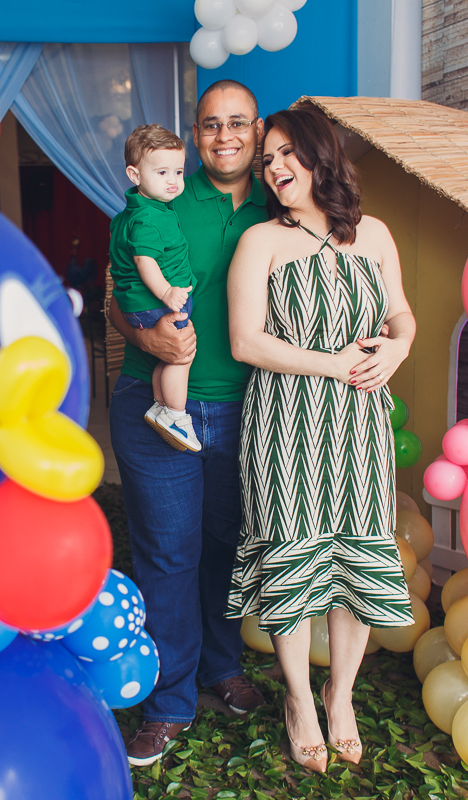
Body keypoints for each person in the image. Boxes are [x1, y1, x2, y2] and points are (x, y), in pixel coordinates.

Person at [225, 105, 417, 773]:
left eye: (286, 154)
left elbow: (401, 315)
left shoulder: (376, 235)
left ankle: (341, 697)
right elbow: (246, 341)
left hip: (361, 422)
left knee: (356, 562)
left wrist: (397, 350)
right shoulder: (261, 242)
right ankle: (300, 702)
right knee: (295, 559)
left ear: (320, 156)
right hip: (285, 421)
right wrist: (334, 363)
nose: (275, 168)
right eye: (267, 159)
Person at [108, 80, 269, 766]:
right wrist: (148, 341)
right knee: (169, 553)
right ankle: (170, 700)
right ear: (194, 135)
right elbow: (117, 301)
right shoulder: (164, 194)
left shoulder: (285, 203)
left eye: (238, 123)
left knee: (229, 543)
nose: (224, 135)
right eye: (210, 124)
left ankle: (221, 668)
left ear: (258, 132)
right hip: (157, 404)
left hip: (248, 410)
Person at [109, 124, 200, 452]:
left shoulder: (135, 211)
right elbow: (144, 261)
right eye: (162, 172)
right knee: (181, 355)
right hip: (156, 301)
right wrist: (165, 293)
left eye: (179, 170)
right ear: (135, 175)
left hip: (138, 302)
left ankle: (161, 406)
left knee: (168, 356)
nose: (174, 180)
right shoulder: (149, 218)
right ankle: (175, 414)